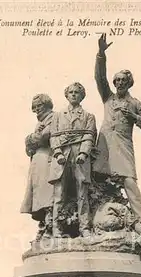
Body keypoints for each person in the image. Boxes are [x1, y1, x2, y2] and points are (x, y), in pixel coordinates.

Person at [94, 33, 141, 251]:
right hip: (103, 146)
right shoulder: (108, 98)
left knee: (129, 181)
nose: (119, 83)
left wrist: (134, 118)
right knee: (96, 180)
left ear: (129, 82)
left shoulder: (135, 103)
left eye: (123, 80)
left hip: (122, 146)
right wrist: (101, 54)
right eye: (116, 80)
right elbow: (99, 79)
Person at [49, 82, 97, 238]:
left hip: (79, 156)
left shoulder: (89, 117)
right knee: (59, 193)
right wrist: (58, 154)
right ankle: (56, 228)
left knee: (82, 193)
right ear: (67, 95)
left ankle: (85, 228)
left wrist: (83, 153)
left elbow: (89, 135)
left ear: (82, 95)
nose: (74, 94)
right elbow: (53, 136)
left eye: (77, 92)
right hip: (62, 155)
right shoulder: (57, 116)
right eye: (71, 92)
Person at [20, 94, 54, 240]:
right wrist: (30, 140)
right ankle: (43, 226)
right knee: (39, 196)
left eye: (38, 106)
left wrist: (29, 139)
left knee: (47, 195)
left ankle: (49, 226)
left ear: (46, 105)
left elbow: (42, 138)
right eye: (34, 107)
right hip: (38, 161)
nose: (35, 110)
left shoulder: (53, 118)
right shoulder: (40, 123)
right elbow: (30, 148)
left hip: (47, 159)